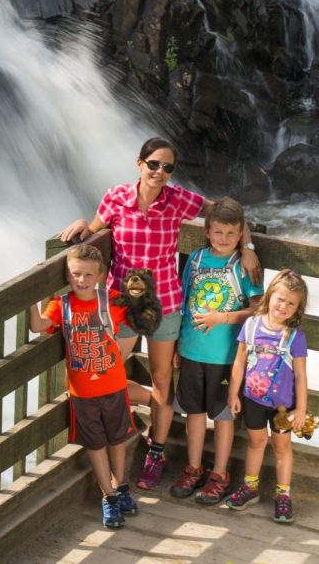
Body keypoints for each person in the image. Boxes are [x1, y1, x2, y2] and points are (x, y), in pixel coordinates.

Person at [59, 138, 260, 491]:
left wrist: (248, 247)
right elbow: (91, 234)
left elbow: (231, 216)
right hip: (122, 304)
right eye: (154, 164)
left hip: (166, 302)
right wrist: (80, 224)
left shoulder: (179, 199)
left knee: (163, 380)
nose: (160, 172)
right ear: (139, 164)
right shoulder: (116, 197)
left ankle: (156, 450)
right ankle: (123, 430)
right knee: (104, 373)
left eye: (168, 167)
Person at [28, 244, 138, 529]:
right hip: (83, 393)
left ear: (99, 276)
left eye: (89, 275)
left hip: (114, 386)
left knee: (117, 441)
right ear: (68, 274)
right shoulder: (61, 305)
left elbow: (141, 315)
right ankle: (109, 497)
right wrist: (34, 293)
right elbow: (39, 326)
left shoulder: (111, 300)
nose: (82, 280)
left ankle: (121, 486)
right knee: (96, 444)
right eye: (76, 274)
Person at [170, 198, 263, 504]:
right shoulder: (195, 260)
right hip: (192, 351)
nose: (224, 239)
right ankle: (193, 468)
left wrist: (221, 318)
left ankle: (219, 473)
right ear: (207, 231)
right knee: (193, 413)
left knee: (223, 416)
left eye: (231, 234)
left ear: (240, 235)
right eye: (218, 232)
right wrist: (177, 348)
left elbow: (256, 310)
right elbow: (183, 305)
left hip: (226, 358)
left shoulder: (243, 265)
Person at [225, 269, 309, 524]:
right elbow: (239, 361)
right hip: (252, 399)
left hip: (283, 407)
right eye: (280, 299)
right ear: (270, 295)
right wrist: (233, 393)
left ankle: (283, 495)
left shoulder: (295, 337)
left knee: (282, 447)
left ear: (297, 309)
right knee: (256, 441)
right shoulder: (251, 326)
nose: (283, 306)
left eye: (291, 303)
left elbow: (300, 377)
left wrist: (302, 410)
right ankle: (250, 488)